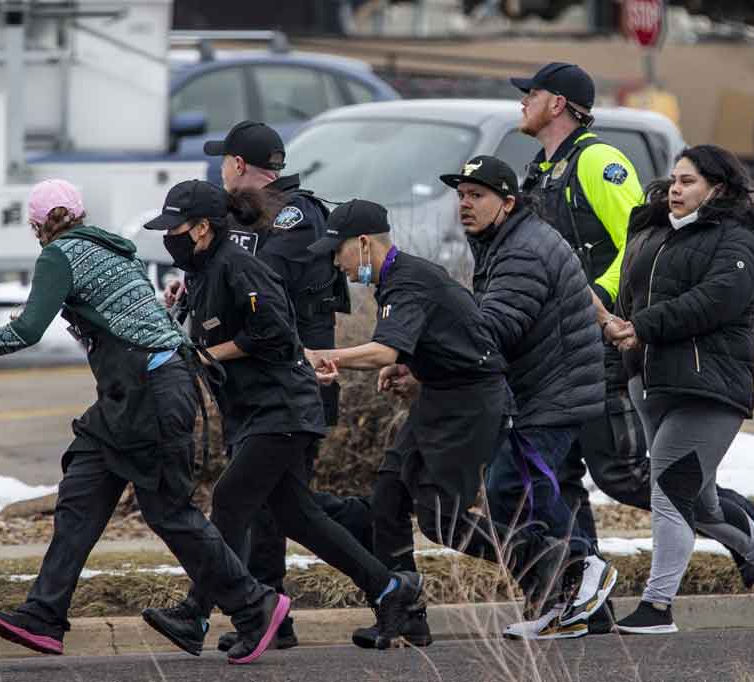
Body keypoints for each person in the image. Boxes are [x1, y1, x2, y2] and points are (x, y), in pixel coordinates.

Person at [0, 179, 289, 665]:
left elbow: (29, 330)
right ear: (80, 213)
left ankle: (255, 605)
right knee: (82, 491)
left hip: (148, 393)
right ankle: (44, 614)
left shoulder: (60, 255)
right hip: (136, 395)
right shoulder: (115, 249)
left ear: (37, 226)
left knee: (169, 512)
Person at [511, 62, 754, 629]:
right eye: (672, 182)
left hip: (600, 339)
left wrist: (609, 313)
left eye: (530, 94)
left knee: (625, 473)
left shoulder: (599, 160)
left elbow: (629, 249)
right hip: (559, 346)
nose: (521, 103)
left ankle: (738, 531)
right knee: (557, 471)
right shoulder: (541, 170)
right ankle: (586, 599)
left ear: (558, 103)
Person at [140, 179, 422, 654]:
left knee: (230, 500)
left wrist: (206, 355)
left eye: (177, 228)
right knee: (299, 517)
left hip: (281, 408)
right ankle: (390, 589)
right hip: (254, 412)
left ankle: (204, 611)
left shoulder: (238, 266)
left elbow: (272, 331)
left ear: (204, 229)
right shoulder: (205, 272)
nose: (170, 237)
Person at [303, 198, 576, 647]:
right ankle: (406, 613)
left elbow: (382, 350)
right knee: (388, 497)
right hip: (441, 395)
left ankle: (546, 559)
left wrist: (324, 356)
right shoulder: (397, 279)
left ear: (365, 243)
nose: (337, 264)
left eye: (339, 253)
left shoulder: (408, 281)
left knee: (442, 520)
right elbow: (429, 337)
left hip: (470, 404)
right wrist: (411, 363)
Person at [606, 145, 754, 633]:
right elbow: (631, 292)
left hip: (708, 387)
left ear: (718, 188)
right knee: (701, 502)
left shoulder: (739, 240)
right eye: (674, 179)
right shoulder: (651, 230)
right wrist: (625, 335)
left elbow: (716, 301)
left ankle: (657, 606)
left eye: (688, 181)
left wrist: (644, 325)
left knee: (669, 490)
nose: (675, 188)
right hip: (649, 379)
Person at [197, 120, 368, 652]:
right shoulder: (244, 218)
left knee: (277, 507)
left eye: (223, 161)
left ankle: (379, 552)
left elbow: (261, 289)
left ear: (239, 165)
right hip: (255, 387)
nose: (220, 171)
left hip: (297, 385)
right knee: (280, 505)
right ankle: (275, 613)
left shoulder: (295, 215)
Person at [438, 155, 616, 640]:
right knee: (536, 488)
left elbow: (497, 325)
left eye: (477, 196)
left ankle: (583, 567)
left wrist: (431, 343)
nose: (465, 205)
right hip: (542, 389)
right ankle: (574, 604)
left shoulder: (522, 250)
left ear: (507, 202)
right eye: (461, 195)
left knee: (513, 488)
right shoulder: (503, 240)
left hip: (550, 392)